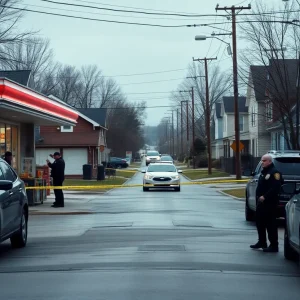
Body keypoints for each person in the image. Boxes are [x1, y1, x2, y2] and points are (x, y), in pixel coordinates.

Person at [250, 154, 283, 253]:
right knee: (260, 222)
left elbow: (276, 187)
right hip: (261, 203)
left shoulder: (274, 173)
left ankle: (274, 245)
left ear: (269, 161)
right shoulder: (264, 172)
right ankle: (262, 242)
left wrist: (265, 196)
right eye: (262, 160)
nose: (262, 162)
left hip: (270, 203)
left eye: (264, 160)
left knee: (270, 224)